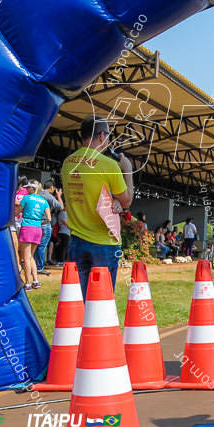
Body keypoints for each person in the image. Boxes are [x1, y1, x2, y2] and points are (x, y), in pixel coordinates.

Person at [61, 116, 134, 296]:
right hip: (104, 242)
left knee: (78, 301)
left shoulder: (68, 162)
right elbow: (127, 201)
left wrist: (112, 199)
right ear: (102, 136)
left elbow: (86, 191)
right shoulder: (108, 164)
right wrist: (128, 170)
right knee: (102, 303)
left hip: (76, 240)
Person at [15, 180, 50, 291]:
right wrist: (40, 223)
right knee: (30, 257)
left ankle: (28, 283)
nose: (27, 189)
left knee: (26, 258)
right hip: (38, 228)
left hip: (27, 226)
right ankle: (35, 281)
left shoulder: (26, 198)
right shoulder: (43, 201)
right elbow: (49, 218)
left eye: (28, 188)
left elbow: (17, 212)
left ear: (32, 188)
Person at [36, 180, 64, 273]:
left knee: (35, 245)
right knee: (42, 246)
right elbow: (60, 207)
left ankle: (35, 265)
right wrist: (59, 196)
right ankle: (40, 267)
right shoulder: (48, 196)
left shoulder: (38, 193)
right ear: (52, 188)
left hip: (36, 223)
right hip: (45, 223)